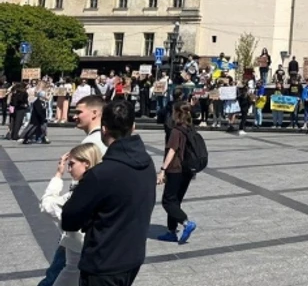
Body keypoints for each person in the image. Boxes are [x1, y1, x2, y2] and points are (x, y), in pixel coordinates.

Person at [60, 101, 156, 286]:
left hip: (103, 262)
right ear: (133, 127)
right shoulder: (147, 163)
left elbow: (70, 219)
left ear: (104, 129)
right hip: (132, 256)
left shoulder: (100, 174)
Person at [40, 144, 104, 286]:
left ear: (86, 163)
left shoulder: (78, 196)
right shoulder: (104, 188)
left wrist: (58, 175)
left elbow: (47, 206)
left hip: (76, 257)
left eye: (72, 164)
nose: (69, 169)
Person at [157, 103, 198, 243]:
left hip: (175, 169)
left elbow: (172, 150)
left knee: (168, 201)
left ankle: (186, 223)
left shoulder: (176, 131)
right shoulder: (190, 129)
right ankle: (171, 232)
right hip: (187, 170)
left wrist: (162, 170)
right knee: (176, 201)